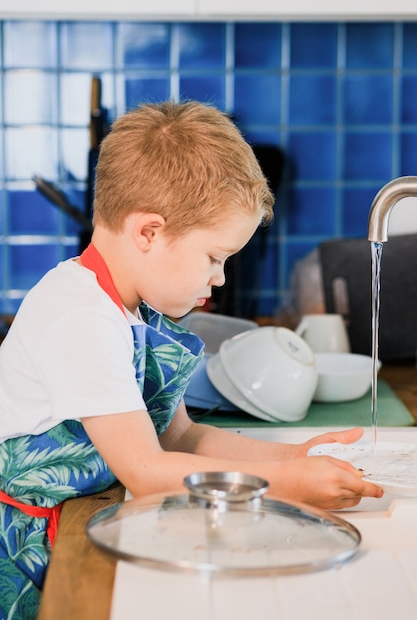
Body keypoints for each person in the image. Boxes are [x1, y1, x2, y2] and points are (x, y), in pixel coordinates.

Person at [0, 100, 383, 618]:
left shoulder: (130, 308)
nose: (220, 278)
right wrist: (291, 487)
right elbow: (145, 471)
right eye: (214, 257)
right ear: (149, 232)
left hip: (77, 514)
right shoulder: (80, 315)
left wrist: (296, 457)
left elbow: (179, 436)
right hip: (31, 547)